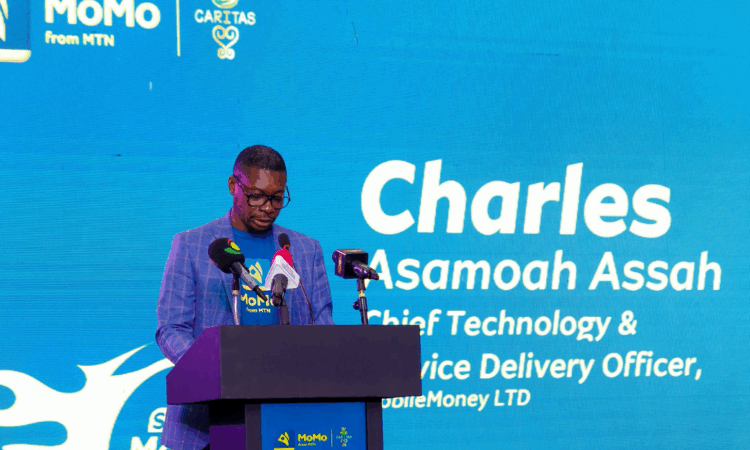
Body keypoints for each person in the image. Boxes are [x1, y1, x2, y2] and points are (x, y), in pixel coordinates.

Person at [155, 145, 334, 450]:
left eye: (277, 198)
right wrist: (214, 372)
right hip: (206, 425)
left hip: (287, 420)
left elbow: (323, 327)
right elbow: (171, 329)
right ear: (233, 186)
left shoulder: (305, 249)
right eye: (256, 196)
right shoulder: (192, 245)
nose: (268, 207)